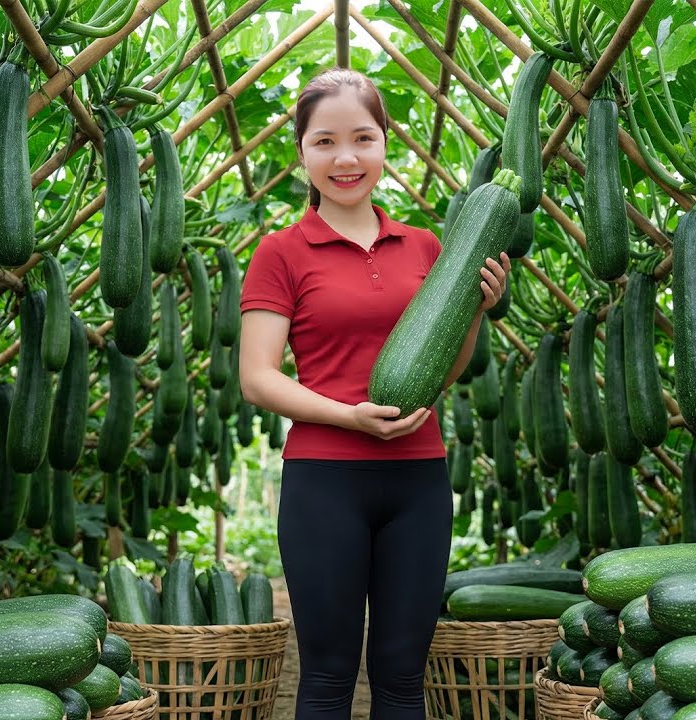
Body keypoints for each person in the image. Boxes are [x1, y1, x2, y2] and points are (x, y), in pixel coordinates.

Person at [237, 68, 510, 720]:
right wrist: (351, 419)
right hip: (324, 482)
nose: (346, 158)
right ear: (302, 152)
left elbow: (446, 368)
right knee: (327, 679)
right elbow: (258, 376)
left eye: (363, 138)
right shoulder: (280, 253)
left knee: (401, 680)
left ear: (386, 143)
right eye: (325, 142)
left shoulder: (428, 247)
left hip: (418, 481)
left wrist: (475, 310)